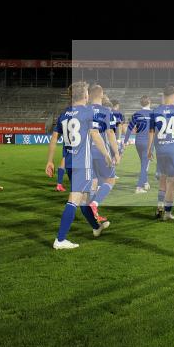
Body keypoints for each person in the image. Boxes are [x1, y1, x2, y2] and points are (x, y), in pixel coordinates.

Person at [44, 82, 112, 249]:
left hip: (69, 162)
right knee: (75, 199)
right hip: (82, 164)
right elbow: (95, 135)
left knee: (83, 199)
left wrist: (50, 161)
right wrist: (106, 154)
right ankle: (60, 240)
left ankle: (96, 227)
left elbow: (54, 139)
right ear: (86, 95)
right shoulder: (88, 112)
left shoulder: (64, 114)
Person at [150, 86, 174, 220]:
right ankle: (168, 213)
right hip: (172, 150)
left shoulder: (155, 111)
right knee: (172, 182)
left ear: (163, 96)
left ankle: (159, 208)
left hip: (160, 150)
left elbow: (151, 132)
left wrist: (149, 149)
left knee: (162, 179)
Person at [86, 87, 119, 221]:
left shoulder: (83, 110)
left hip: (85, 153)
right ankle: (94, 204)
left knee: (94, 182)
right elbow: (110, 133)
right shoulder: (106, 111)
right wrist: (116, 153)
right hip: (100, 151)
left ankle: (92, 215)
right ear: (102, 95)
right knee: (111, 179)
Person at [124, 96, 153, 193]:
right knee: (145, 165)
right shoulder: (153, 114)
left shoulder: (136, 114)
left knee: (144, 163)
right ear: (150, 102)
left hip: (138, 142)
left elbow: (129, 128)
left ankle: (145, 182)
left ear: (141, 103)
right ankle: (139, 187)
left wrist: (125, 141)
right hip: (148, 142)